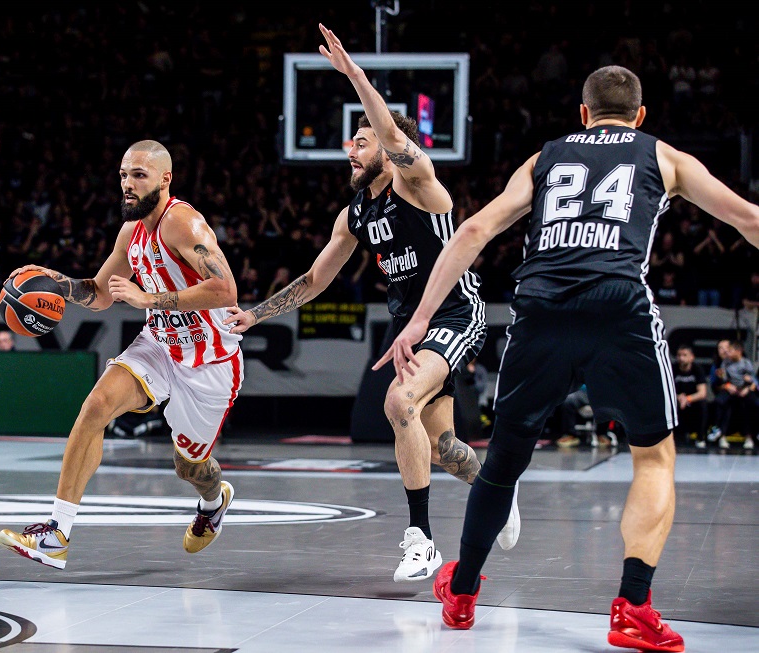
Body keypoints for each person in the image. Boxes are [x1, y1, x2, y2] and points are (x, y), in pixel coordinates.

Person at [378, 65, 758, 650]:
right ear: (640, 115)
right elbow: (747, 218)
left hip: (541, 309)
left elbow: (473, 231)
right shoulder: (664, 156)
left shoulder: (545, 157)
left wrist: (421, 318)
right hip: (619, 306)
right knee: (654, 458)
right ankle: (633, 607)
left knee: (503, 463)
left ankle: (463, 592)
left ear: (583, 114)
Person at [225, 24, 519, 585]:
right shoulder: (354, 214)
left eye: (360, 143)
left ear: (388, 148)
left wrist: (355, 75)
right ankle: (499, 490)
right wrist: (255, 314)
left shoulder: (419, 185)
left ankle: (420, 539)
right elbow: (315, 278)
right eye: (351, 143)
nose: (350, 151)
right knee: (443, 448)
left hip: (456, 312)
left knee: (397, 401)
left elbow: (389, 132)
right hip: (410, 326)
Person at [0, 140, 243, 569]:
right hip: (158, 345)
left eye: (139, 175)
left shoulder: (183, 222)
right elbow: (101, 293)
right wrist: (58, 284)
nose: (128, 184)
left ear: (165, 179)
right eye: (124, 175)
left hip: (209, 361)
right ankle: (56, 534)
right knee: (96, 405)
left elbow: (225, 290)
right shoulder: (131, 232)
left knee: (190, 467)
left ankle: (213, 501)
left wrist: (150, 299)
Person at [671, 345, 708, 449]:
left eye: (684, 355)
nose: (681, 358)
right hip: (676, 399)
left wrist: (687, 399)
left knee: (703, 405)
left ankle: (700, 438)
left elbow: (702, 393)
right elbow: (665, 390)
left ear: (692, 357)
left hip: (692, 400)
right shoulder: (672, 369)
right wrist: (678, 397)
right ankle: (672, 437)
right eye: (679, 355)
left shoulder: (697, 369)